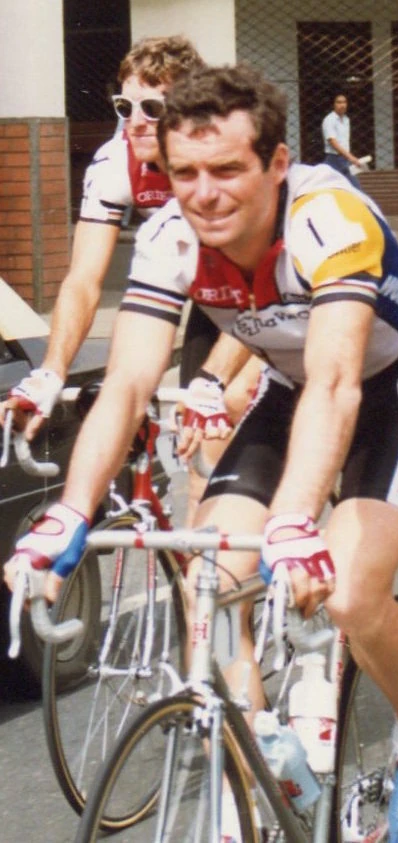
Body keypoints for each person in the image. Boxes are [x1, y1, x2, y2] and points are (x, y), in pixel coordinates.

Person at [5, 64, 398, 842]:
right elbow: (128, 384)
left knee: (348, 592)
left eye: (227, 170)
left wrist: (291, 520)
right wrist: (68, 514)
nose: (204, 194)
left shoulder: (330, 219)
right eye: (184, 173)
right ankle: (263, 752)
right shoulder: (171, 237)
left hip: (393, 391)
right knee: (207, 581)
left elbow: (338, 382)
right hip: (287, 388)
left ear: (278, 163)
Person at [0, 35, 257, 522]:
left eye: (153, 108)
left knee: (226, 406)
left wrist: (213, 385)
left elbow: (258, 290)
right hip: (189, 270)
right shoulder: (115, 162)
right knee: (149, 403)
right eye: (125, 105)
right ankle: (210, 585)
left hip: (260, 288)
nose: (135, 121)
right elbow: (83, 279)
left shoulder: (223, 159)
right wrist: (50, 371)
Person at [322, 92, 363, 187]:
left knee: (352, 187)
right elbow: (333, 142)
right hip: (334, 158)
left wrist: (348, 158)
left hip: (344, 159)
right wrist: (351, 157)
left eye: (344, 102)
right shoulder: (329, 120)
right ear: (334, 104)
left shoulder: (346, 120)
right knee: (354, 187)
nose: (342, 105)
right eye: (339, 102)